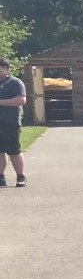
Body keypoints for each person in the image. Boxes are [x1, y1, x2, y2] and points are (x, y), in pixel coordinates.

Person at [0, 58, 27, 188]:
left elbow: (21, 100)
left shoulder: (15, 82)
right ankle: (1, 177)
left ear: (5, 68)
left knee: (14, 150)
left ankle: (20, 176)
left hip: (10, 122)